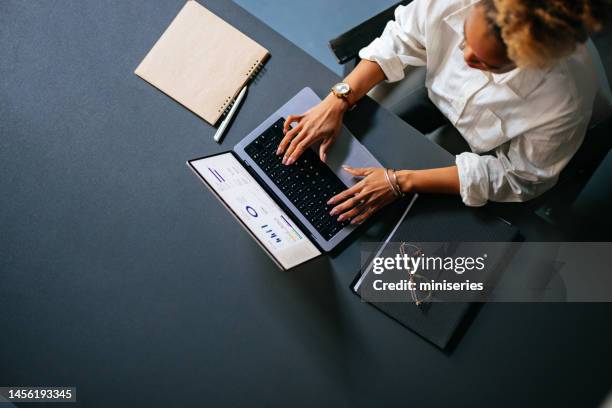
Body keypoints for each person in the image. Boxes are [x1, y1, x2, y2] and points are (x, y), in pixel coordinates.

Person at [276, 0, 608, 225]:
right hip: (434, 85)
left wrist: (402, 181)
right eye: (464, 37)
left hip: (495, 141)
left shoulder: (564, 100)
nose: (464, 57)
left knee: (410, 212)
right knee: (364, 136)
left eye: (483, 62)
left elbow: (519, 176)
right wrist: (338, 99)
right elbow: (401, 38)